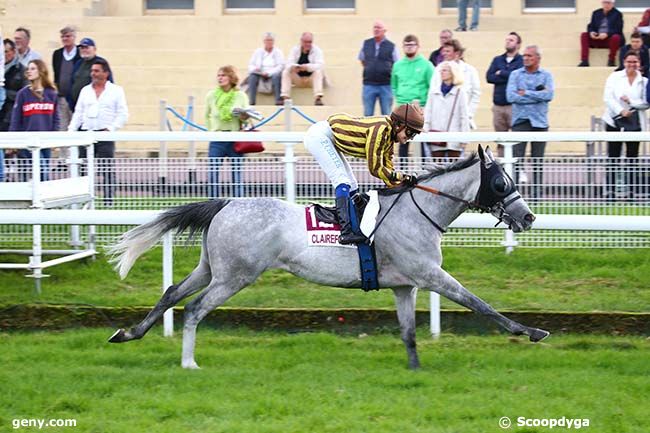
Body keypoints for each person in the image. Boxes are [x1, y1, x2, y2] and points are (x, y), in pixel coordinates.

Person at [303, 103, 422, 244]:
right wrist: (402, 176)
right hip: (320, 136)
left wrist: (404, 185)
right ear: (398, 125)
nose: (410, 138)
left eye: (414, 134)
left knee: (352, 184)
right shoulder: (381, 129)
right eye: (410, 133)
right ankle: (345, 232)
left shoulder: (389, 139)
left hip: (331, 138)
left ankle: (356, 226)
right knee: (342, 181)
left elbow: (388, 175)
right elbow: (376, 168)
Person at [69, 58, 128, 206]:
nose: (93, 74)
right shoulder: (85, 91)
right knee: (83, 167)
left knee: (106, 168)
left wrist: (111, 128)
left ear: (105, 73)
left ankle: (108, 200)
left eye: (96, 71)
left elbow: (123, 114)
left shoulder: (116, 91)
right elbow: (78, 113)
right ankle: (83, 199)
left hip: (104, 135)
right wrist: (71, 131)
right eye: (92, 71)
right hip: (86, 134)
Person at [506, 45, 554, 199]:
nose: (525, 58)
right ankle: (515, 196)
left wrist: (526, 92)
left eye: (530, 56)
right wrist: (538, 94)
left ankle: (536, 196)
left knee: (538, 161)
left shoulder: (546, 75)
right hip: (520, 121)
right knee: (516, 160)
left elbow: (549, 95)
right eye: (524, 55)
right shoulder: (515, 74)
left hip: (540, 123)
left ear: (538, 58)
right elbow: (511, 97)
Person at [603, 51, 648, 200]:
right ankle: (610, 192)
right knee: (613, 157)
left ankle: (631, 193)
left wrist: (631, 103)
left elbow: (646, 103)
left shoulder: (644, 81)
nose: (632, 65)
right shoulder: (615, 77)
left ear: (639, 63)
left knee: (632, 158)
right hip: (614, 121)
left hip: (635, 124)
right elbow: (608, 98)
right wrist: (621, 110)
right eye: (629, 62)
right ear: (624, 62)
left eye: (635, 62)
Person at [205, 65, 250, 199]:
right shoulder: (211, 95)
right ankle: (212, 203)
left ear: (231, 78)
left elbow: (246, 118)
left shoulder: (240, 95)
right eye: (219, 75)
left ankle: (238, 202)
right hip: (217, 138)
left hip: (234, 139)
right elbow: (207, 116)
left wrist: (243, 116)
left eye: (223, 75)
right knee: (213, 172)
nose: (220, 78)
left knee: (237, 173)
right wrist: (211, 131)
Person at [9, 59, 58, 181]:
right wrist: (13, 139)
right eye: (28, 69)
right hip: (28, 140)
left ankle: (42, 197)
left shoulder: (51, 93)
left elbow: (56, 118)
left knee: (44, 169)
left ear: (41, 71)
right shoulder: (23, 94)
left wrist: (55, 138)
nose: (29, 72)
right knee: (41, 168)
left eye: (33, 68)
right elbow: (15, 118)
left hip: (45, 140)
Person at [391, 34, 434, 158]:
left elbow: (432, 86)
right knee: (402, 139)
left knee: (420, 140)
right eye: (406, 45)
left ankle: (424, 171)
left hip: (419, 108)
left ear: (418, 46)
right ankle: (403, 170)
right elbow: (394, 85)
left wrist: (423, 105)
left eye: (412, 45)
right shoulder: (397, 65)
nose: (409, 48)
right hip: (402, 108)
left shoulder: (426, 65)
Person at [429, 39, 480, 130]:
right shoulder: (438, 70)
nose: (444, 53)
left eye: (448, 51)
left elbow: (475, 94)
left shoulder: (470, 71)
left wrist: (468, 114)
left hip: (461, 118)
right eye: (444, 51)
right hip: (440, 119)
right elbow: (432, 93)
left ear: (457, 53)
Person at [423, 61, 469, 158]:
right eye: (441, 70)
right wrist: (425, 130)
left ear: (453, 72)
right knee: (437, 167)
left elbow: (464, 116)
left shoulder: (460, 92)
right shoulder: (434, 92)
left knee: (455, 168)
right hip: (436, 135)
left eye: (445, 70)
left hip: (454, 136)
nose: (441, 72)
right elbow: (428, 113)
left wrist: (465, 138)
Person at [486, 32, 524, 146]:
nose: (508, 42)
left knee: (516, 140)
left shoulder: (521, 60)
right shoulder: (497, 60)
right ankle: (502, 164)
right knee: (501, 141)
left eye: (511, 40)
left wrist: (501, 73)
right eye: (507, 39)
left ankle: (515, 164)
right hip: (498, 106)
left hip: (514, 106)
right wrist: (509, 76)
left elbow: (519, 78)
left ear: (518, 44)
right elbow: (490, 77)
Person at [358, 20, 399, 116]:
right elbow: (362, 60)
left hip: (386, 85)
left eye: (379, 27)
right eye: (375, 27)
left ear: (385, 30)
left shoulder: (391, 46)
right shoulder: (366, 43)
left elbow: (396, 64)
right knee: (367, 116)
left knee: (386, 115)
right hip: (369, 85)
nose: (376, 29)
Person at [280, 32, 325, 106]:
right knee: (286, 72)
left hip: (311, 79)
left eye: (310, 42)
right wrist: (294, 67)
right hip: (298, 79)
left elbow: (320, 65)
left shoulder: (317, 50)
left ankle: (318, 98)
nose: (308, 44)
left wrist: (307, 67)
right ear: (301, 41)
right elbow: (288, 63)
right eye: (305, 42)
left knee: (318, 72)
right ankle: (285, 97)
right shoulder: (295, 50)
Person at [69, 38, 112, 112]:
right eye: (82, 48)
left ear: (94, 49)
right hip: (78, 106)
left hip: (94, 106)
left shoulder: (100, 62)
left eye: (87, 47)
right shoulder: (78, 63)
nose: (84, 50)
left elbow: (109, 82)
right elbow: (72, 81)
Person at [578, 0, 624, 67]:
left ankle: (611, 60)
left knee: (616, 37)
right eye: (605, 3)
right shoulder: (596, 13)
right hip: (597, 38)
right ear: (602, 3)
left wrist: (607, 34)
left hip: (609, 39)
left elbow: (618, 29)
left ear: (612, 4)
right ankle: (584, 60)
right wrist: (591, 32)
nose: (606, 5)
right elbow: (591, 26)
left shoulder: (617, 14)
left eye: (608, 3)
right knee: (584, 35)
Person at [52, 25, 80, 131]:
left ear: (73, 37)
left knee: (75, 126)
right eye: (63, 37)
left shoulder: (79, 53)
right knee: (62, 126)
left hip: (76, 97)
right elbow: (56, 73)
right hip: (62, 96)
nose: (65, 39)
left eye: (68, 36)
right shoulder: (57, 54)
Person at [246, 32, 284, 106]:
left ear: (273, 41)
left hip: (273, 73)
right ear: (264, 41)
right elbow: (250, 65)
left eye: (271, 40)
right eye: (267, 40)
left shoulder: (278, 52)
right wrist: (256, 69)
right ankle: (251, 101)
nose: (269, 42)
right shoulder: (258, 51)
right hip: (260, 73)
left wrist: (269, 73)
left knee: (277, 76)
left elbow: (280, 66)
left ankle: (278, 100)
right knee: (252, 76)